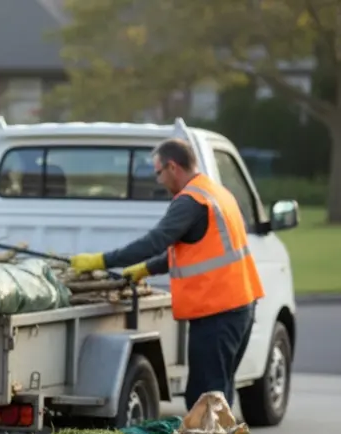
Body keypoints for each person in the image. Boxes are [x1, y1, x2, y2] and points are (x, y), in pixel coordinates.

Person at [69, 138, 264, 411]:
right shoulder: (216, 193)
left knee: (205, 399)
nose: (159, 180)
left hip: (217, 313)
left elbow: (154, 241)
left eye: (158, 172)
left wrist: (102, 260)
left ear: (173, 167)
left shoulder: (189, 202)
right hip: (240, 306)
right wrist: (147, 268)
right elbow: (198, 251)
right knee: (218, 391)